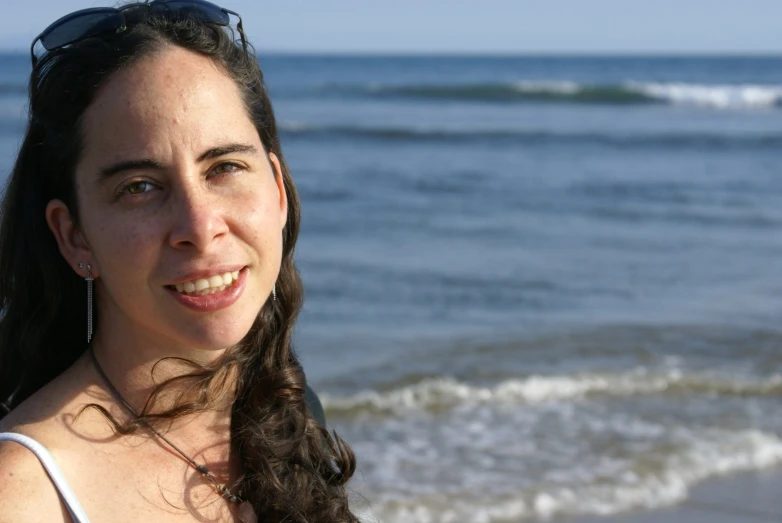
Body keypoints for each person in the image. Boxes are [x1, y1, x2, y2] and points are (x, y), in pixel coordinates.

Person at [0, 1, 359, 522]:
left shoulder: (289, 419)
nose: (199, 225)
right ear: (74, 235)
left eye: (225, 167)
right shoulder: (23, 494)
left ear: (278, 191)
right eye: (139, 187)